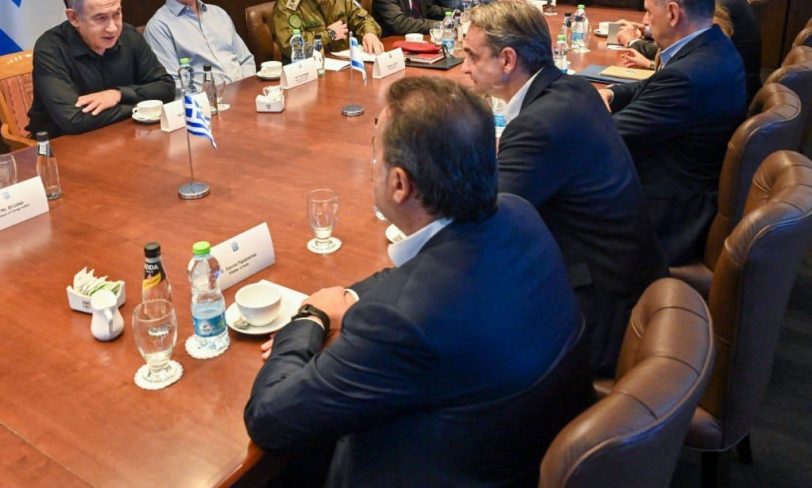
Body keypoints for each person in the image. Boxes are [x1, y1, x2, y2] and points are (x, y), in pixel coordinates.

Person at [244, 77, 594, 486]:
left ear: (399, 184)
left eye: (375, 155)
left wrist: (310, 316)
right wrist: (350, 297)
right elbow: (413, 277)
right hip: (524, 453)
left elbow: (268, 418)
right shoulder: (518, 214)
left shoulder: (400, 322)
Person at [461, 2, 665, 376]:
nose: (464, 67)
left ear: (507, 60)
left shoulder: (538, 125)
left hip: (601, 312)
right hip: (631, 279)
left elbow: (481, 226)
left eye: (472, 56)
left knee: (459, 332)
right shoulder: (574, 88)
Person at [599, 0, 746, 268]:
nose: (645, 21)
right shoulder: (713, 45)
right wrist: (611, 94)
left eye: (648, 11)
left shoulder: (689, 76)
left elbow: (608, 136)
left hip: (669, 211)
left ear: (673, 13)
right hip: (684, 181)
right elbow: (652, 86)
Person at [27, 0, 175, 138]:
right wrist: (139, 107)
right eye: (100, 18)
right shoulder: (51, 49)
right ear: (74, 17)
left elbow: (167, 88)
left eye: (117, 14)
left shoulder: (129, 35)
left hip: (124, 134)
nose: (112, 28)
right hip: (62, 143)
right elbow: (74, 120)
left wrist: (117, 94)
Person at [144, 0, 255, 86]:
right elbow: (173, 84)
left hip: (244, 91)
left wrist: (246, 89)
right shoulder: (159, 26)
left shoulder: (218, 13)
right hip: (204, 99)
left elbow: (246, 60)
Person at [684, 0, 762, 100]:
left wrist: (642, 50)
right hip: (736, 86)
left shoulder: (720, 7)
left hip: (730, 94)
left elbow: (691, 50)